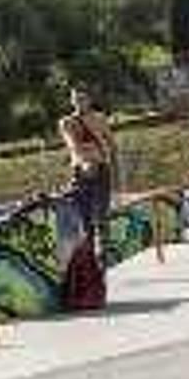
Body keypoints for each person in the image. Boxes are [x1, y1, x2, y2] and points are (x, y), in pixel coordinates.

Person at [58, 85, 118, 310]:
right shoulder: (67, 122)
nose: (79, 103)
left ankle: (103, 261)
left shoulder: (100, 119)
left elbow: (112, 146)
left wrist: (117, 176)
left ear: (90, 99)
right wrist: (85, 163)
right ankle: (91, 265)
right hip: (81, 173)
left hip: (101, 171)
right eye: (75, 99)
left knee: (101, 217)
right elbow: (72, 146)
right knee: (85, 224)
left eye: (82, 98)